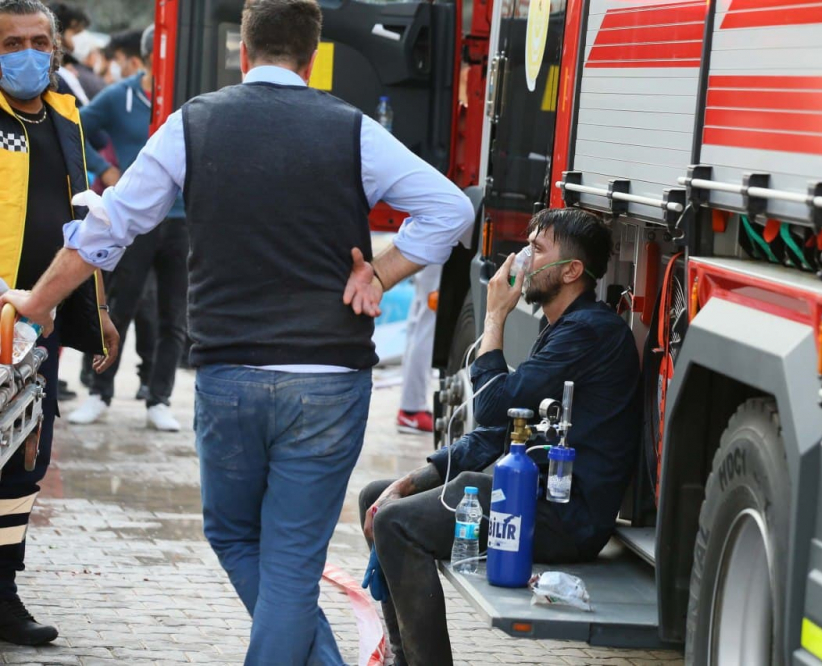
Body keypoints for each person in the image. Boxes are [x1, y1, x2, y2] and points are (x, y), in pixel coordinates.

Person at [1, 0, 474, 662]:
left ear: (243, 52)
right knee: (290, 559)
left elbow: (108, 229)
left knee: (233, 535)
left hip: (230, 375)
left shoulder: (191, 126)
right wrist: (382, 275)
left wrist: (40, 301)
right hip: (329, 379)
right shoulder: (351, 130)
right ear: (312, 59)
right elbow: (449, 208)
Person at [359, 208, 641, 666]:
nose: (523, 257)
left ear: (570, 271)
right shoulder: (561, 328)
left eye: (538, 248)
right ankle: (403, 656)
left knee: (397, 524)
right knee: (378, 496)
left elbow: (491, 404)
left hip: (567, 518)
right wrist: (412, 479)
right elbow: (499, 429)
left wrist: (494, 318)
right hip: (534, 495)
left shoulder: (590, 331)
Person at [0, 0, 118, 646]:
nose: (27, 51)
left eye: (38, 40)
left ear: (55, 48)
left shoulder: (66, 119)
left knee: (23, 464)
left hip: (34, 333)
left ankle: (3, 590)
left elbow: (82, 225)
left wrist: (97, 309)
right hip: (0, 316)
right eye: (11, 41)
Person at [68, 26, 189, 431]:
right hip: (136, 222)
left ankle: (160, 399)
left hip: (182, 220)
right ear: (148, 58)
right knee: (119, 306)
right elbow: (75, 126)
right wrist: (104, 168)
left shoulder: (190, 100)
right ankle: (99, 393)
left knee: (174, 315)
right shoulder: (121, 96)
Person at [396, 263, 441, 434]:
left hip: (428, 242)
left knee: (421, 315)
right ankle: (412, 409)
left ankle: (411, 407)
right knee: (428, 320)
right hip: (439, 242)